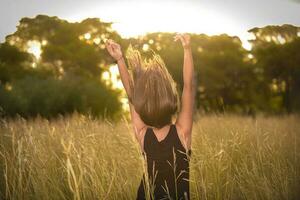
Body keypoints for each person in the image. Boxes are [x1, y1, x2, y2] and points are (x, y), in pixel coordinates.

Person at [106, 33, 195, 200]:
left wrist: (119, 59)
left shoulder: (142, 135)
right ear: (170, 102)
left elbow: (131, 95)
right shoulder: (182, 133)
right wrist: (187, 49)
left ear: (143, 108)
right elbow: (188, 87)